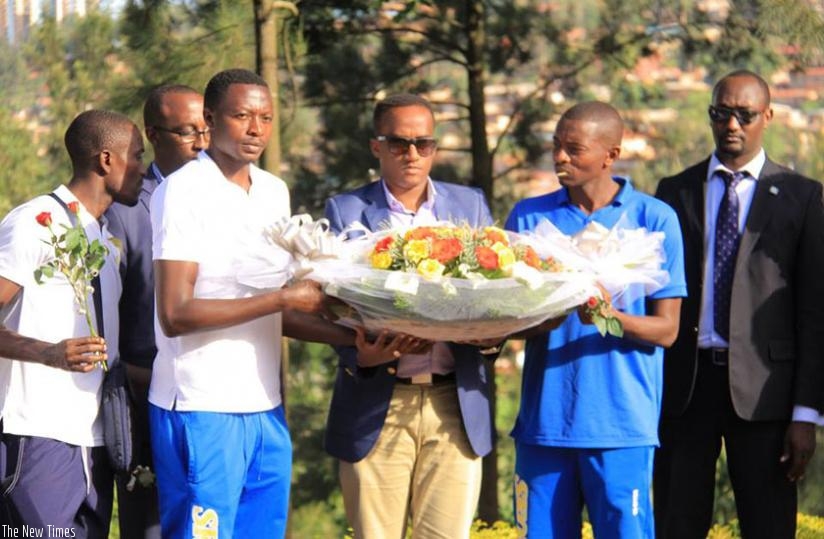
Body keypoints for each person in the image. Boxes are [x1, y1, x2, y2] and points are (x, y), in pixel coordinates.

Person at [148, 68, 353, 539]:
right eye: (241, 116)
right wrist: (283, 297)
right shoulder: (182, 191)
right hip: (201, 407)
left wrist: (352, 339)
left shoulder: (272, 191)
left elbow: (278, 310)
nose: (256, 128)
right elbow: (175, 314)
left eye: (265, 117)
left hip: (264, 405)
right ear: (210, 119)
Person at [653, 70, 824, 539]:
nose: (731, 124)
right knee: (676, 523)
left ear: (766, 116)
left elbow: (814, 313)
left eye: (744, 115)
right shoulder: (675, 191)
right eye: (721, 113)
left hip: (766, 395)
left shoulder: (802, 197)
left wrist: (806, 414)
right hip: (686, 388)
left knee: (768, 528)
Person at [504, 101, 686, 538]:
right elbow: (506, 318)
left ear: (611, 155)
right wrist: (544, 316)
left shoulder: (654, 220)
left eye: (574, 149)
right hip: (544, 428)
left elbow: (668, 330)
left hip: (622, 428)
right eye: (556, 147)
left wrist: (609, 316)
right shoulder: (528, 218)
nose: (560, 158)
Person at [323, 93, 497, 538]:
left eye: (424, 143)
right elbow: (332, 305)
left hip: (454, 402)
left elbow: (498, 292)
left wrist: (490, 336)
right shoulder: (346, 211)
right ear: (376, 146)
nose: (413, 154)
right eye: (399, 143)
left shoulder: (470, 205)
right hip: (377, 401)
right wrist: (362, 353)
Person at [0, 110, 145, 536]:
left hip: (96, 441)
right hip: (37, 435)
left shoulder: (104, 238)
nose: (143, 168)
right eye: (136, 156)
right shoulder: (34, 222)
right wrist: (46, 352)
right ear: (106, 160)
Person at [104, 84, 208, 539]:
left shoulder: (223, 197)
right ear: (154, 134)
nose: (202, 142)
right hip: (147, 398)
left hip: (219, 396)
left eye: (206, 129)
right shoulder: (124, 209)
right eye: (188, 132)